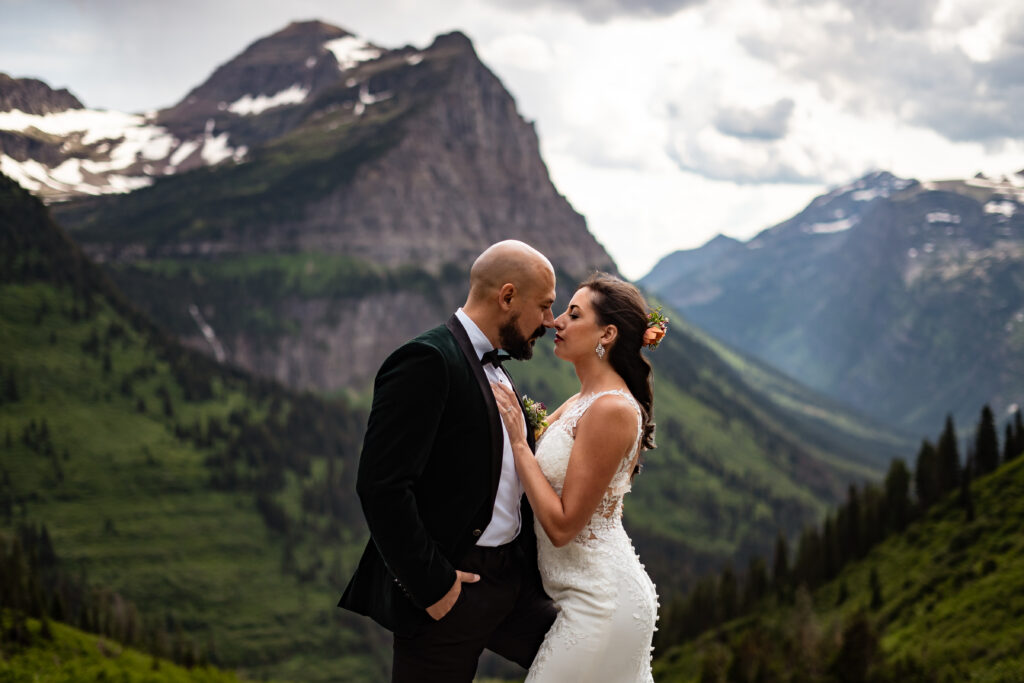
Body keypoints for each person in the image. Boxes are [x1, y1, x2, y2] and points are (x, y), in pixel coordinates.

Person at [338, 240, 559, 682]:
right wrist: (433, 586)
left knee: (587, 659)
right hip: (453, 587)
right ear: (508, 297)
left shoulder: (496, 363)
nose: (551, 323)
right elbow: (381, 485)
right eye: (546, 307)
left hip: (513, 585)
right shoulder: (427, 359)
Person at [490, 272, 661, 683]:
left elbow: (564, 525)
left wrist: (518, 441)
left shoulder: (612, 409)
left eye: (573, 314)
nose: (556, 322)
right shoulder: (582, 401)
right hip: (577, 596)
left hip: (601, 602)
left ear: (607, 334)